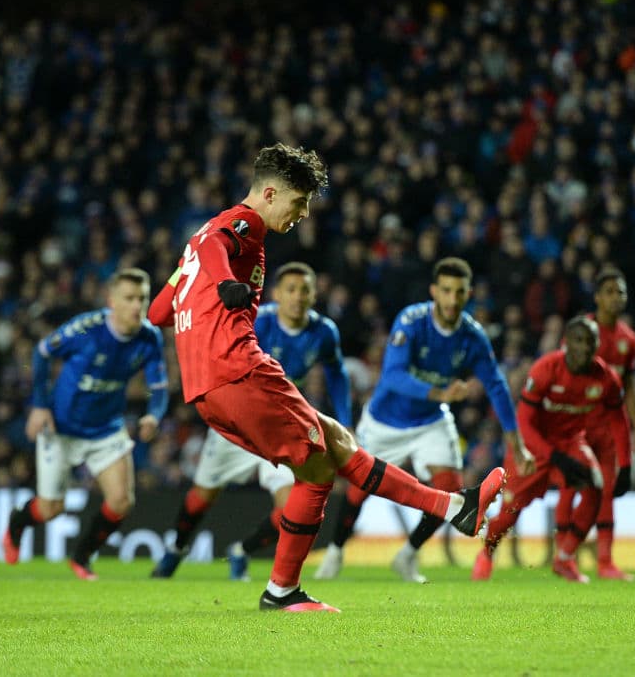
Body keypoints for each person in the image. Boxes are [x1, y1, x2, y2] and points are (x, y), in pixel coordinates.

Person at [146, 143, 507, 613]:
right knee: (317, 469)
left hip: (207, 388)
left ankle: (454, 507)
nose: (303, 214)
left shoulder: (196, 242)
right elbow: (218, 249)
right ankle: (282, 591)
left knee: (336, 440)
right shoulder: (243, 225)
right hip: (237, 369)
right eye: (299, 202)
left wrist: (192, 282)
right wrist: (221, 284)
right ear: (270, 193)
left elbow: (158, 312)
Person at [315, 257, 535, 583]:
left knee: (450, 490)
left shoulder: (472, 336)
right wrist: (441, 392)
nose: (452, 299)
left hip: (431, 422)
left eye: (459, 292)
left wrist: (515, 442)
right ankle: (334, 552)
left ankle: (408, 555)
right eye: (446, 290)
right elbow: (391, 377)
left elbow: (496, 385)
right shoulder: (412, 321)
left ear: (468, 294)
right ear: (434, 291)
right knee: (359, 491)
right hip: (385, 421)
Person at [151, 261, 352, 581]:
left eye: (305, 290)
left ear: (315, 295)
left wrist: (345, 419)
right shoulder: (257, 319)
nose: (298, 297)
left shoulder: (324, 332)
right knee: (204, 494)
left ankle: (242, 551)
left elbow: (336, 373)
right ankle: (176, 549)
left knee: (292, 505)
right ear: (276, 294)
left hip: (280, 425)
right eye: (291, 290)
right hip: (239, 420)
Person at [2, 269, 168, 580]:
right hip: (62, 429)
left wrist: (153, 415)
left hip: (106, 428)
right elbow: (41, 353)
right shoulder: (85, 330)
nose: (137, 306)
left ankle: (82, 556)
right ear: (112, 301)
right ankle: (18, 521)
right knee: (51, 509)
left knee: (121, 501)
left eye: (142, 298)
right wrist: (39, 405)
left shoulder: (149, 337)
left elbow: (158, 387)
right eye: (129, 298)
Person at [472, 315, 631, 583]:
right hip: (533, 446)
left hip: (571, 443)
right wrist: (553, 456)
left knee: (595, 487)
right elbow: (524, 422)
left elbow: (619, 419)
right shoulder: (545, 369)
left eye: (591, 342)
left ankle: (565, 558)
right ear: (566, 343)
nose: (584, 348)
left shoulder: (606, 378)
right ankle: (487, 553)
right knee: (510, 513)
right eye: (578, 341)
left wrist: (625, 465)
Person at [553, 268, 635, 581]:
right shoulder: (582, 333)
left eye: (620, 292)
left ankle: (605, 562)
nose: (615, 297)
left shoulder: (629, 340)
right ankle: (563, 556)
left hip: (608, 428)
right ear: (596, 297)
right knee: (571, 488)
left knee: (606, 492)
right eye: (608, 291)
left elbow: (629, 387)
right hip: (577, 425)